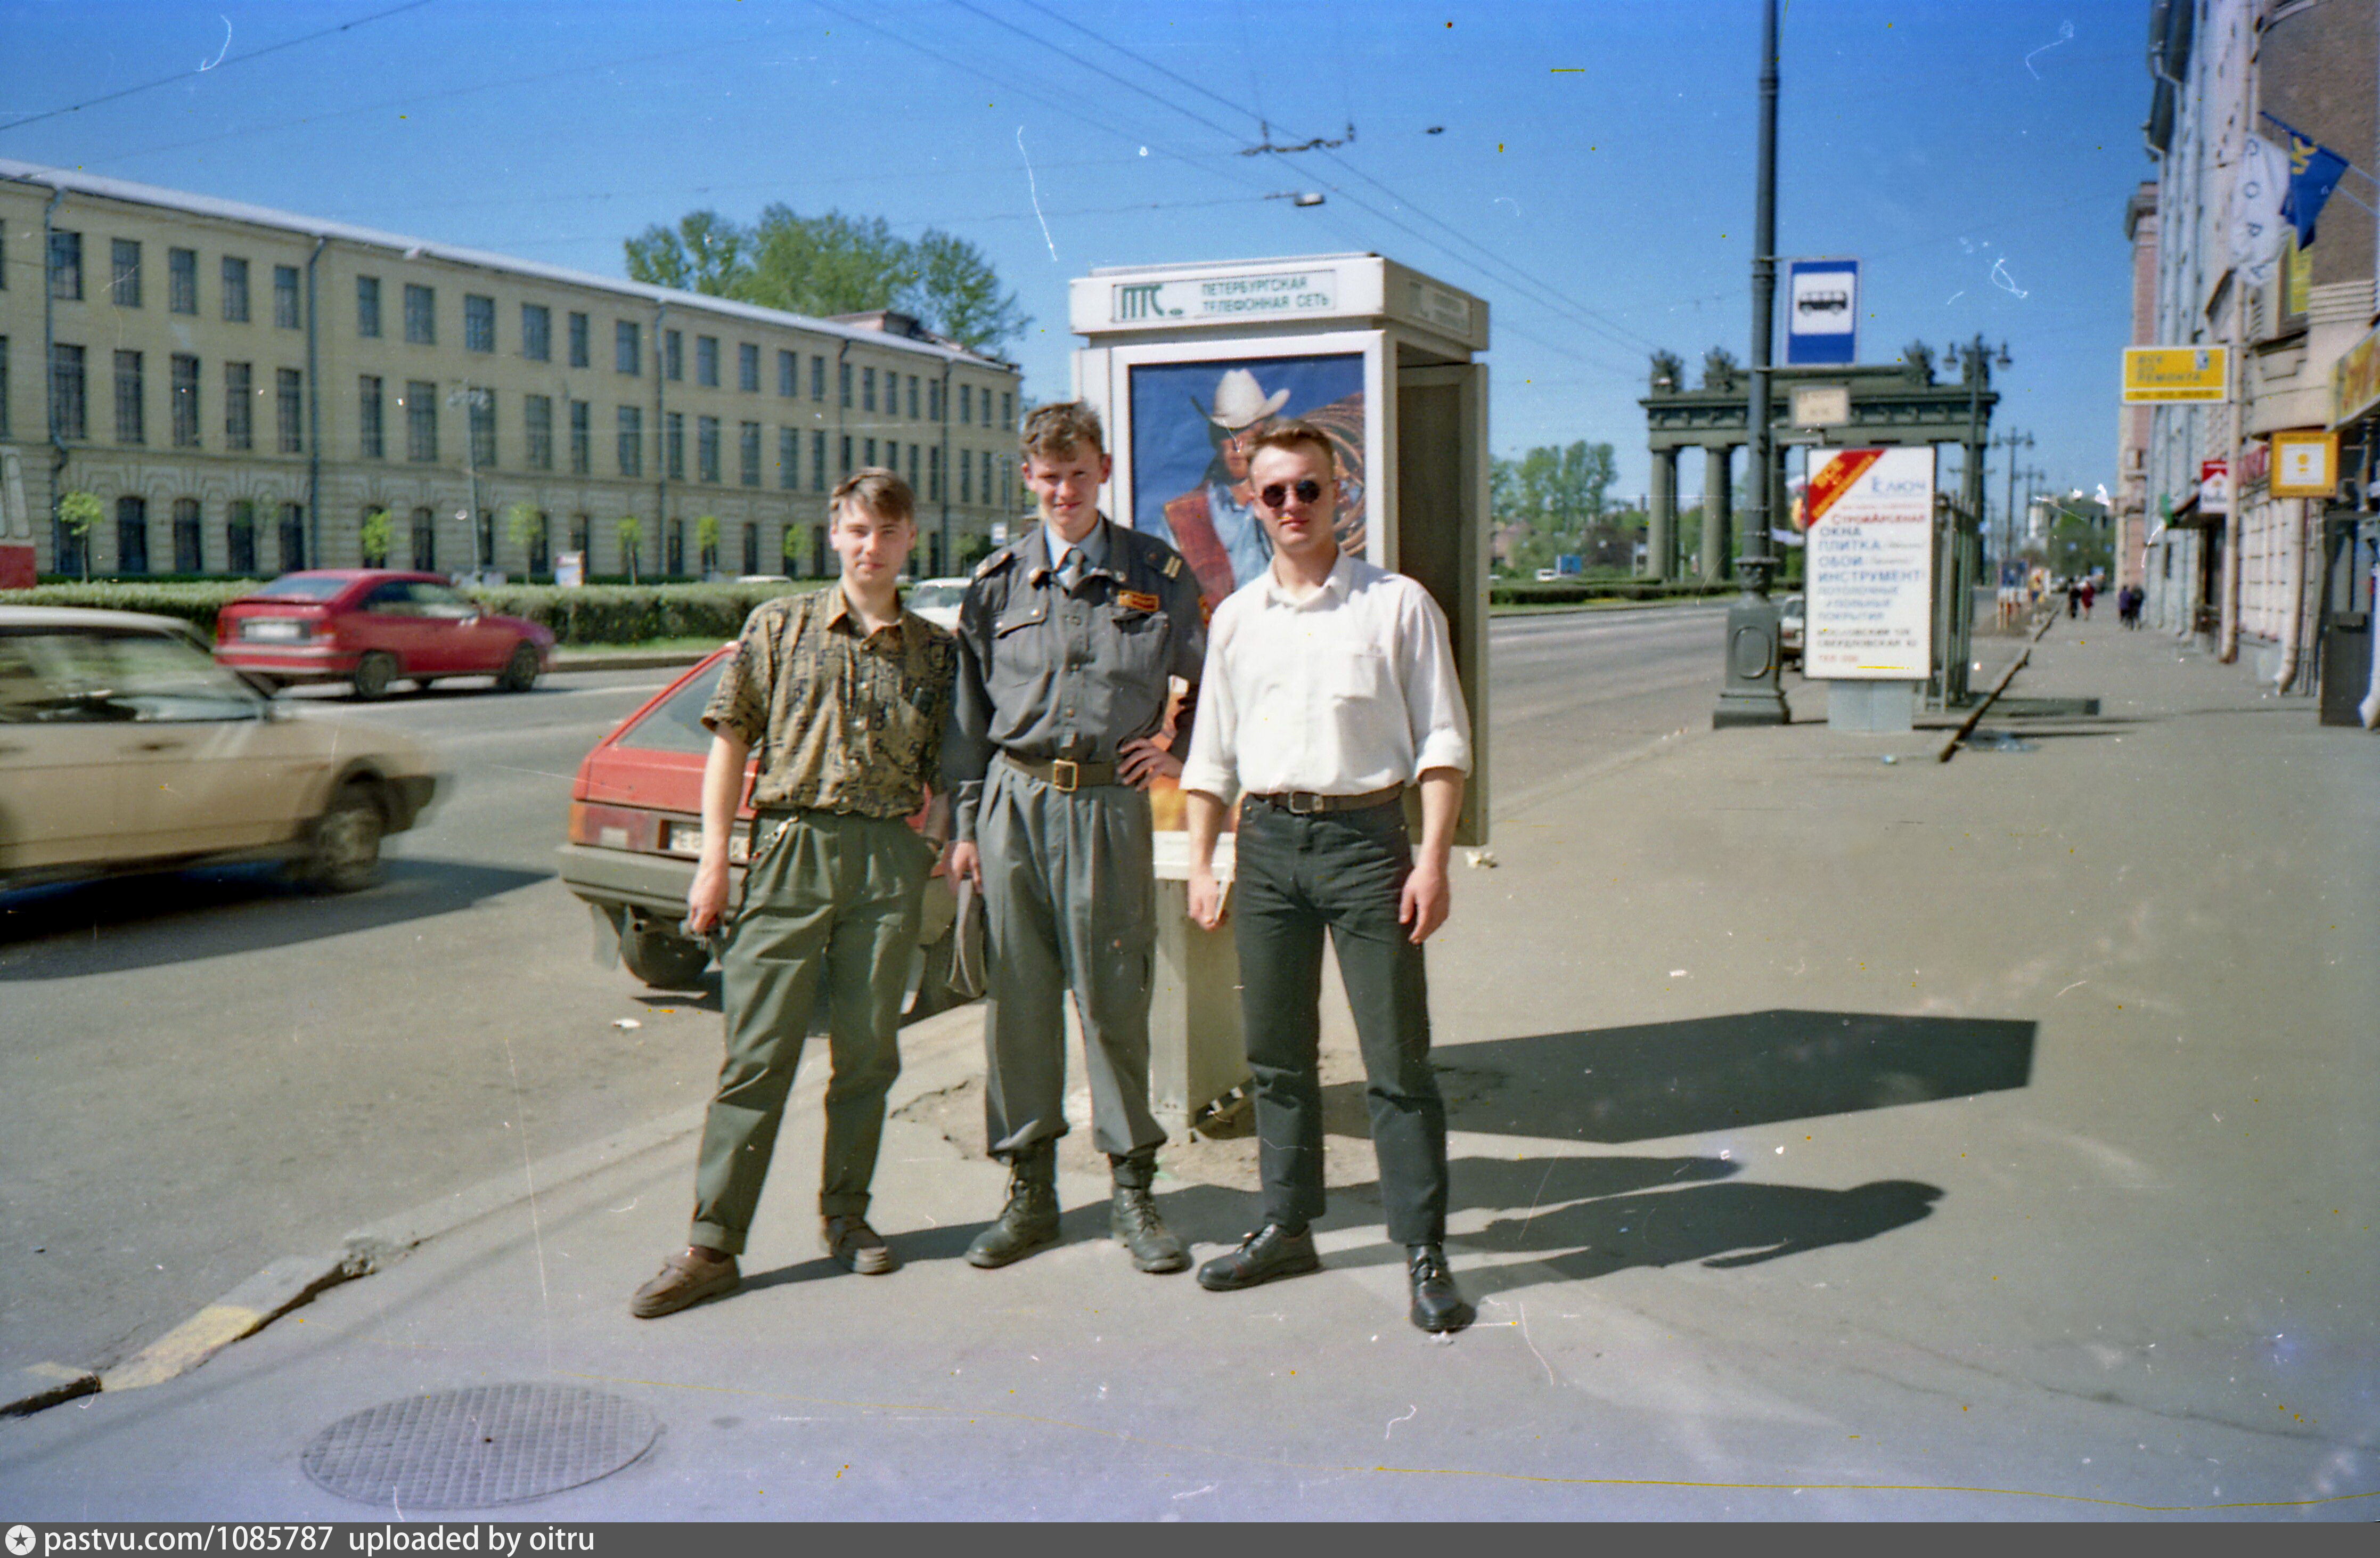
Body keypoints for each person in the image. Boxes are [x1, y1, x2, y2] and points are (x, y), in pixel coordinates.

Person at [630, 469, 956, 1318]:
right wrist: (714, 867)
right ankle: (713, 1243)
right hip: (789, 848)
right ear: (833, 535)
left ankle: (847, 1216)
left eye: (887, 533)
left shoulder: (934, 650)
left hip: (886, 860)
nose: (870, 547)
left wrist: (930, 842)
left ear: (910, 539)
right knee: (756, 1056)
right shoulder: (778, 625)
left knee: (867, 1051)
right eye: (856, 530)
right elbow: (730, 744)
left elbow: (948, 772)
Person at [1177, 420, 1477, 1334]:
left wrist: (1431, 859)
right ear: (1251, 503)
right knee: (1275, 1055)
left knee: (1395, 1061)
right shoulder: (1234, 618)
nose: (1293, 506)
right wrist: (1202, 861)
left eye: (1309, 488)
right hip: (1268, 846)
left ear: (1340, 492)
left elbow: (1442, 742)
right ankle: (1285, 1223)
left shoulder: (1396, 605)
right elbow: (1211, 757)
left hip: (1365, 845)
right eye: (1274, 493)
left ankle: (1423, 1248)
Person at [944, 401, 1208, 1274]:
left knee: (1113, 997)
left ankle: (1132, 1190)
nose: (1064, 490)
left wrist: (1174, 749)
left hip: (1106, 806)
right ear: (1029, 479)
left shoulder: (1156, 573)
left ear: (1103, 471)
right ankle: (1029, 1193)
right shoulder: (993, 582)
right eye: (1048, 477)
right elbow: (968, 717)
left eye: (1079, 474)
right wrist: (969, 823)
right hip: (1014, 803)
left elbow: (1215, 678)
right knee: (1017, 1000)